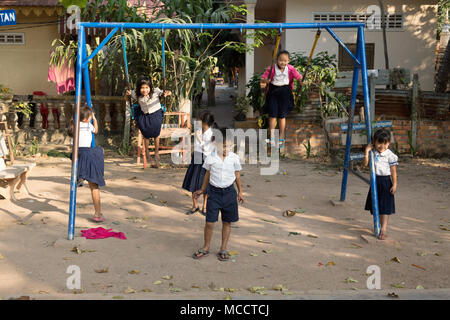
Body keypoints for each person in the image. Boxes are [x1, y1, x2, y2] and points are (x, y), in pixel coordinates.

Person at [192, 128, 244, 261]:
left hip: (229, 194)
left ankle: (223, 248)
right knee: (209, 222)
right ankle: (206, 247)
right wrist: (202, 189)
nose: (228, 148)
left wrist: (240, 192)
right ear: (216, 145)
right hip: (214, 194)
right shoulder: (211, 158)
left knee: (227, 222)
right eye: (225, 146)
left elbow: (237, 175)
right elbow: (207, 174)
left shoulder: (234, 158)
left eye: (231, 146)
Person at [67, 105, 105, 223]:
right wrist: (95, 120)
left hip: (77, 154)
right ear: (88, 117)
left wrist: (87, 111)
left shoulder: (74, 126)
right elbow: (96, 131)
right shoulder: (89, 125)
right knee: (94, 185)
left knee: (80, 172)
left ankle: (80, 176)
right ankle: (97, 214)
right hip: (87, 153)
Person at [126, 76, 171, 168]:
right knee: (145, 132)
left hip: (156, 114)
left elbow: (166, 92)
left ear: (150, 87)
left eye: (147, 88)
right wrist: (128, 94)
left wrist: (167, 93)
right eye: (142, 88)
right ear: (139, 88)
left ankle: (156, 152)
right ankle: (146, 151)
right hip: (145, 114)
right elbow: (129, 95)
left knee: (156, 133)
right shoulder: (136, 94)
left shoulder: (155, 91)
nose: (144, 90)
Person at [261, 50, 303, 148]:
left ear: (288, 61)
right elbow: (263, 78)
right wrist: (265, 80)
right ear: (277, 60)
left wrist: (301, 81)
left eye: (285, 60)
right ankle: (271, 137)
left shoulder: (291, 68)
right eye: (280, 60)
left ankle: (281, 137)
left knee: (282, 116)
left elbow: (298, 76)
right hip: (273, 92)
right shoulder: (272, 68)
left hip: (285, 92)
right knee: (272, 115)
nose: (282, 62)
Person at [363, 128, 398, 240]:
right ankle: (377, 225)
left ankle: (383, 228)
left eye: (385, 143)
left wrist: (395, 184)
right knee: (376, 206)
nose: (382, 146)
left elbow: (393, 171)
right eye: (379, 143)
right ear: (374, 142)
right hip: (375, 182)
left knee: (385, 207)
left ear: (388, 143)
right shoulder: (372, 152)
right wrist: (366, 152)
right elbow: (365, 164)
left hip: (386, 182)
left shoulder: (390, 155)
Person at [182, 111, 216, 215]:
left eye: (199, 120)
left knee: (205, 184)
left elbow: (207, 149)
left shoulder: (211, 134)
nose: (197, 121)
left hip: (206, 159)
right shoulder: (198, 130)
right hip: (196, 157)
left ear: (205, 122)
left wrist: (199, 139)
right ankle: (195, 205)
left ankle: (205, 206)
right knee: (193, 182)